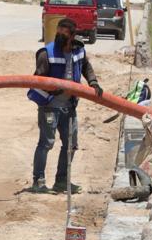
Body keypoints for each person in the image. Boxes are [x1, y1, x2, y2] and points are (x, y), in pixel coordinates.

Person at [27, 17, 103, 194]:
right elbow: (37, 79)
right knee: (46, 143)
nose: (60, 37)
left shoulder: (79, 51)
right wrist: (52, 88)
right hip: (50, 107)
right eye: (58, 33)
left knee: (71, 145)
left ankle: (62, 181)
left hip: (69, 107)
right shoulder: (46, 53)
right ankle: (38, 181)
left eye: (64, 34)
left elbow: (86, 67)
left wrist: (93, 83)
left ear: (72, 35)